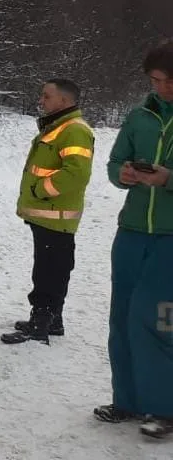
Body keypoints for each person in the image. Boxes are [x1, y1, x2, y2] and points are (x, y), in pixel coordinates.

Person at [94, 40, 173, 440]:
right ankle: (126, 400)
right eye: (155, 80)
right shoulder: (139, 116)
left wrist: (168, 179)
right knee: (123, 316)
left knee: (160, 319)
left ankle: (164, 408)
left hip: (170, 238)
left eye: (168, 80)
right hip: (132, 231)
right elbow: (113, 162)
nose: (161, 88)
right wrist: (123, 174)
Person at [0, 79, 94, 345]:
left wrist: (41, 189)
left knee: (49, 271)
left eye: (46, 96)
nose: (41, 100)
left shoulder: (74, 130)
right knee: (51, 268)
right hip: (49, 215)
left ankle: (40, 323)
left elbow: (76, 173)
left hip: (56, 216)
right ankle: (53, 321)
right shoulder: (59, 126)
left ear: (64, 100)